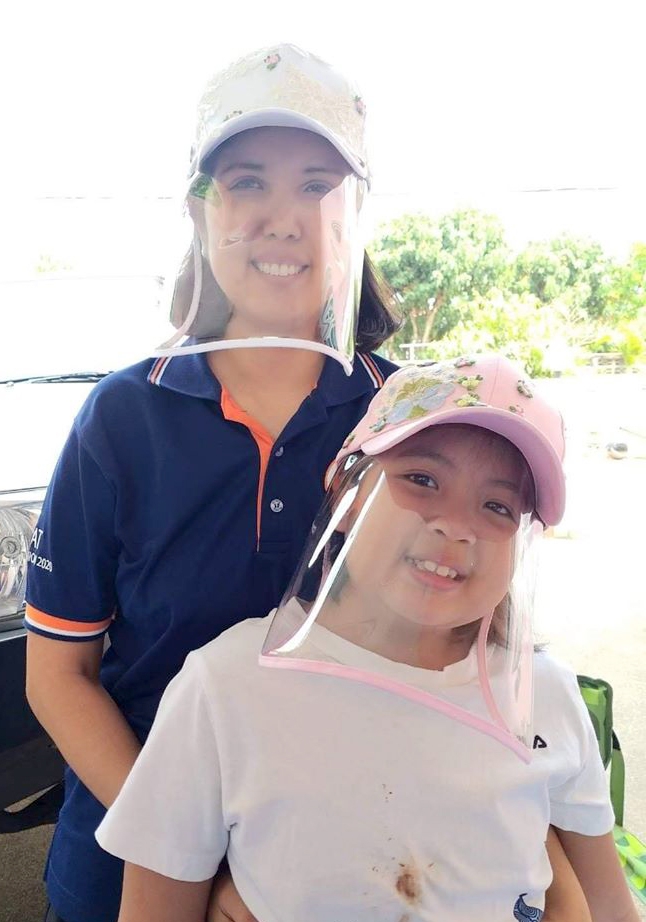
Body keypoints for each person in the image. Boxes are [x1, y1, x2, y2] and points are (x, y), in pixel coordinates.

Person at [24, 43, 400, 922]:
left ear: (355, 214)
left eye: (317, 185)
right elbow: (59, 675)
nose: (282, 217)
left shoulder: (406, 420)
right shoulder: (122, 418)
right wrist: (189, 848)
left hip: (338, 868)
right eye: (246, 182)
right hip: (122, 860)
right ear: (201, 213)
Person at [95, 354, 638, 921]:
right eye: (422, 479)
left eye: (498, 506)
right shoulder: (225, 685)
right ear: (346, 490)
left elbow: (608, 904)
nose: (456, 526)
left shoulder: (545, 695)